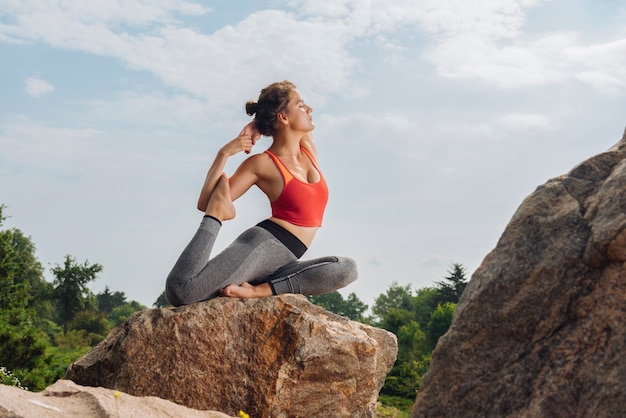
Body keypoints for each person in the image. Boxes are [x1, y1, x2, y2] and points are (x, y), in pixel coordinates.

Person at [165, 80, 358, 306]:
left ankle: (260, 290)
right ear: (283, 118)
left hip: (285, 262)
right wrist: (223, 154)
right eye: (301, 105)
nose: (309, 109)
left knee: (347, 269)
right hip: (263, 247)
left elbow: (274, 108)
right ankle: (220, 213)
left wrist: (256, 123)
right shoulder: (263, 163)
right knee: (183, 291)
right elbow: (203, 202)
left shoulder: (308, 149)